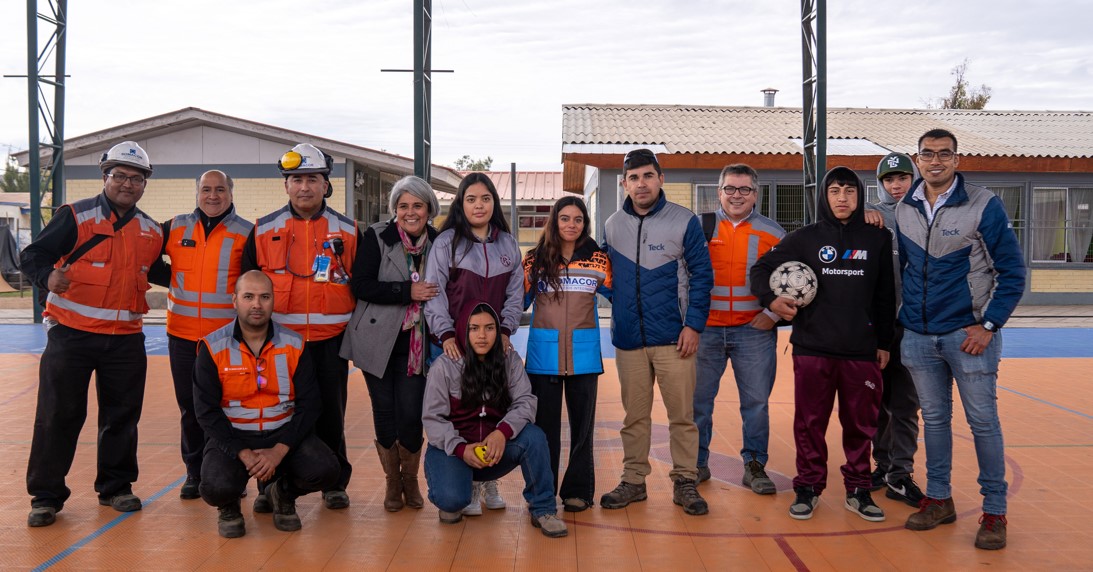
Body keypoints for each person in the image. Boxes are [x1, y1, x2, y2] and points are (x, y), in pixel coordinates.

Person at [22, 141, 165, 527]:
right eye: (120, 176)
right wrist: (46, 277)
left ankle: (116, 488)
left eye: (136, 178)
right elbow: (32, 255)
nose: (128, 184)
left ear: (145, 184)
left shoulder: (152, 230)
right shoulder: (75, 215)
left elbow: (163, 273)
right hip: (72, 336)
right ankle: (46, 496)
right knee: (59, 415)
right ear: (106, 177)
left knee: (122, 417)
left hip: (126, 339)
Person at [896, 129, 1025, 550]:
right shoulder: (905, 208)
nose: (935, 161)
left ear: (956, 159)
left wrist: (988, 326)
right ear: (917, 159)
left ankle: (994, 511)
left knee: (983, 423)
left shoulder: (983, 204)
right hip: (918, 337)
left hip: (968, 337)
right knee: (933, 422)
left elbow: (1013, 273)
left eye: (944, 154)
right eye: (927, 154)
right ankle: (939, 499)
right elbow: (909, 271)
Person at [750, 166, 895, 523]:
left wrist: (884, 342)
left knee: (861, 425)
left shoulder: (877, 238)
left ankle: (859, 490)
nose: (842, 198)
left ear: (860, 196)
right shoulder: (805, 238)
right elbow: (759, 269)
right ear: (824, 197)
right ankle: (809, 487)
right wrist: (771, 300)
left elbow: (885, 295)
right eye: (834, 191)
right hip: (812, 349)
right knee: (809, 423)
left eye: (849, 191)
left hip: (861, 350)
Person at [242, 143, 362, 510]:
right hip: (279, 345)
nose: (304, 187)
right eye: (297, 179)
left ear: (327, 185)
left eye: (312, 179)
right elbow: (248, 286)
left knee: (330, 412)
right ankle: (269, 484)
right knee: (277, 414)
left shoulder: (350, 230)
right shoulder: (263, 229)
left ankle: (334, 483)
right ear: (286, 186)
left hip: (330, 343)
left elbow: (362, 284)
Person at [599, 148, 713, 516]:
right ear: (624, 184)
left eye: (648, 175)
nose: (641, 183)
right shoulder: (613, 224)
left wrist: (693, 325)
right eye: (634, 178)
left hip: (675, 339)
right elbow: (602, 272)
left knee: (682, 416)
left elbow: (702, 277)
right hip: (629, 340)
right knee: (634, 417)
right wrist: (615, 298)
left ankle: (685, 481)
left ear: (661, 179)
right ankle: (634, 481)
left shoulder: (684, 221)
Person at [193, 270, 339, 538]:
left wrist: (279, 450)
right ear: (234, 300)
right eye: (248, 296)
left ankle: (281, 493)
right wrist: (243, 452)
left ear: (274, 301)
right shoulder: (213, 347)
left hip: (282, 434)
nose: (257, 304)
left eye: (264, 297)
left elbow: (310, 405)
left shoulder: (295, 344)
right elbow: (206, 412)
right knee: (214, 486)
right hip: (234, 437)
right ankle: (229, 505)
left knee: (327, 470)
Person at [421, 302, 567, 538]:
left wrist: (502, 432)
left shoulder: (509, 360)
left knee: (535, 438)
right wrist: (460, 448)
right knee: (451, 502)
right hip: (455, 450)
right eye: (474, 328)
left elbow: (526, 402)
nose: (482, 335)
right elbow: (433, 419)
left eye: (489, 328)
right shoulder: (444, 366)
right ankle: (459, 484)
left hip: (494, 450)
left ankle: (544, 509)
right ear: (463, 330)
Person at [424, 172, 523, 516]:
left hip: (494, 345)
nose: (478, 205)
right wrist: (447, 335)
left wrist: (506, 330)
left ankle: (488, 480)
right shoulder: (446, 243)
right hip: (453, 346)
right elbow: (433, 292)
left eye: (485, 199)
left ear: (494, 203)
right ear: (460, 205)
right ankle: (463, 481)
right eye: (471, 199)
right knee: (461, 415)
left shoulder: (508, 244)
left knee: (493, 409)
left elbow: (515, 294)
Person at [340, 175, 440, 512]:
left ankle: (410, 479)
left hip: (417, 341)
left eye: (417, 205)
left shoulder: (439, 242)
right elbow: (361, 286)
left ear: (429, 209)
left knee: (411, 414)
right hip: (375, 338)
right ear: (394, 209)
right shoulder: (377, 235)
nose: (410, 212)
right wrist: (405, 292)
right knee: (384, 412)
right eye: (403, 206)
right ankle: (391, 482)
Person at [159, 170, 253, 500]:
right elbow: (149, 259)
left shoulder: (247, 232)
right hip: (182, 335)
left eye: (220, 189)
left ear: (231, 193)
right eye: (206, 189)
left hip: (225, 340)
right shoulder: (174, 227)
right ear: (197, 192)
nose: (212, 195)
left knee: (227, 409)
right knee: (190, 408)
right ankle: (194, 472)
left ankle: (230, 473)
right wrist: (172, 279)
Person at [694, 164, 785, 494]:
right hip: (706, 331)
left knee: (757, 404)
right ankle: (697, 464)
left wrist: (773, 317)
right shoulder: (699, 227)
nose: (736, 195)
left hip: (754, 333)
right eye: (730, 188)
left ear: (755, 194)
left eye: (744, 189)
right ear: (719, 192)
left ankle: (755, 466)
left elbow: (791, 279)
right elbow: (681, 274)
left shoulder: (774, 233)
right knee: (699, 404)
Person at [522, 196, 612, 512]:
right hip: (542, 357)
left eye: (577, 219)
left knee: (582, 429)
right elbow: (517, 301)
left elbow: (621, 296)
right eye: (564, 218)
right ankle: (542, 492)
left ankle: (578, 491)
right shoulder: (534, 260)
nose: (571, 225)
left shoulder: (599, 260)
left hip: (584, 356)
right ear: (554, 221)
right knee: (543, 429)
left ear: (584, 223)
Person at [864, 153, 925, 508]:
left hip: (916, 328)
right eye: (889, 180)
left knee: (905, 406)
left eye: (902, 177)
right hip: (881, 329)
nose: (896, 185)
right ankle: (881, 465)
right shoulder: (871, 218)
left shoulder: (927, 215)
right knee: (876, 405)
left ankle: (900, 474)